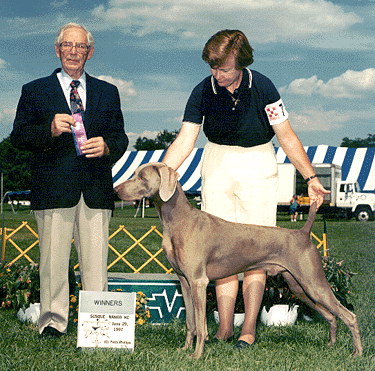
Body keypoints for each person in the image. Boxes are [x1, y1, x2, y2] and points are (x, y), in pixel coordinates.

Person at [162, 29, 329, 349]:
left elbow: (287, 136)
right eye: (212, 67)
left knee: (257, 248)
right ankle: (224, 327)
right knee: (220, 249)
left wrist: (310, 178)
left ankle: (248, 329)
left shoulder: (263, 87)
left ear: (242, 63)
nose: (216, 74)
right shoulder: (203, 91)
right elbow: (185, 139)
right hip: (217, 162)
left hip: (258, 163)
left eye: (223, 68)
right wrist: (163, 176)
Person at [11, 22, 128, 336]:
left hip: (95, 190)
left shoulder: (108, 91)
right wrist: (48, 129)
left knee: (95, 264)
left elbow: (121, 138)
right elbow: (19, 137)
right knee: (52, 262)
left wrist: (107, 146)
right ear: (57, 49)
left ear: (90, 53)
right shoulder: (34, 90)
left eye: (80, 46)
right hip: (53, 190)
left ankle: (99, 325)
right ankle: (53, 322)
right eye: (67, 45)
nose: (74, 52)